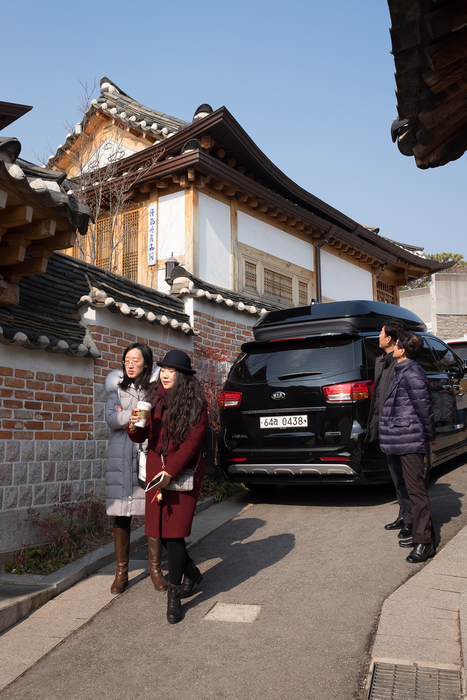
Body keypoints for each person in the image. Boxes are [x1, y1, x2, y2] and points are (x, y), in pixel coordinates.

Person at [128, 349, 208, 624]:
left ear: (183, 375)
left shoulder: (196, 402)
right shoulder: (153, 397)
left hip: (182, 472)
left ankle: (174, 596)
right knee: (158, 532)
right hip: (155, 469)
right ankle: (192, 572)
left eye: (171, 370)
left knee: (174, 535)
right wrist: (134, 425)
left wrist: (169, 472)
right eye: (163, 369)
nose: (164, 373)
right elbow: (141, 435)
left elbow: (191, 444)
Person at [104, 342, 167, 595]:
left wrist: (127, 416)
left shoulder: (155, 391)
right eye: (127, 359)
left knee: (153, 510)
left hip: (147, 455)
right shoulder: (115, 390)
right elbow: (110, 418)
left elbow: (158, 419)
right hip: (120, 457)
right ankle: (121, 572)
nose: (130, 364)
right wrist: (132, 415)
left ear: (147, 364)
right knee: (121, 513)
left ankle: (156, 570)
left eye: (136, 360)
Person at [379, 331, 436, 563]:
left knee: (417, 491)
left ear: (402, 350)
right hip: (398, 438)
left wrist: (430, 436)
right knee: (408, 488)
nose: (391, 346)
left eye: (396, 345)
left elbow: (424, 408)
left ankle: (425, 542)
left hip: (410, 439)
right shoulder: (401, 370)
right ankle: (416, 534)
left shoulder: (412, 373)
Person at [366, 321, 413, 539]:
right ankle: (404, 514)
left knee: (407, 477)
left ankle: (412, 521)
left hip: (400, 429)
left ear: (391, 339)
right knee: (396, 476)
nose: (379, 336)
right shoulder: (383, 361)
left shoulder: (400, 364)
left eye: (381, 332)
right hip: (387, 427)